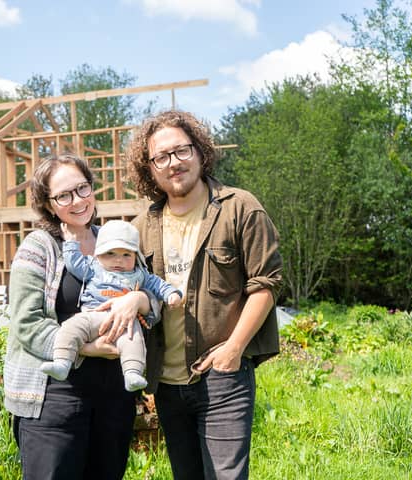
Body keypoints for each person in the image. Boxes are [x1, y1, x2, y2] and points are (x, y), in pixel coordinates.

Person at [124, 110, 283, 480]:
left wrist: (233, 349)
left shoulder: (239, 208)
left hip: (222, 374)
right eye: (160, 157)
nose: (172, 163)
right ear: (149, 168)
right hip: (167, 383)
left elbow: (266, 283)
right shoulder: (140, 228)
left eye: (181, 150)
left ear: (199, 151)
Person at [3, 153, 157, 480]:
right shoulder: (40, 247)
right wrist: (85, 348)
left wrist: (140, 299)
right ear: (48, 204)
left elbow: (155, 303)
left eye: (82, 188)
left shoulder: (115, 240)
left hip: (113, 397)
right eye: (63, 195)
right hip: (54, 397)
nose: (77, 201)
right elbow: (26, 323)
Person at [41, 219, 182, 392]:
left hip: (126, 322)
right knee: (70, 328)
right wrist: (70, 243)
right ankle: (62, 362)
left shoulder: (140, 274)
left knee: (134, 341)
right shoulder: (93, 267)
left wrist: (171, 294)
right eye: (111, 253)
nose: (119, 260)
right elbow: (74, 263)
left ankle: (132, 373)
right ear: (98, 254)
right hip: (93, 315)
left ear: (136, 256)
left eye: (126, 255)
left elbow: (158, 285)